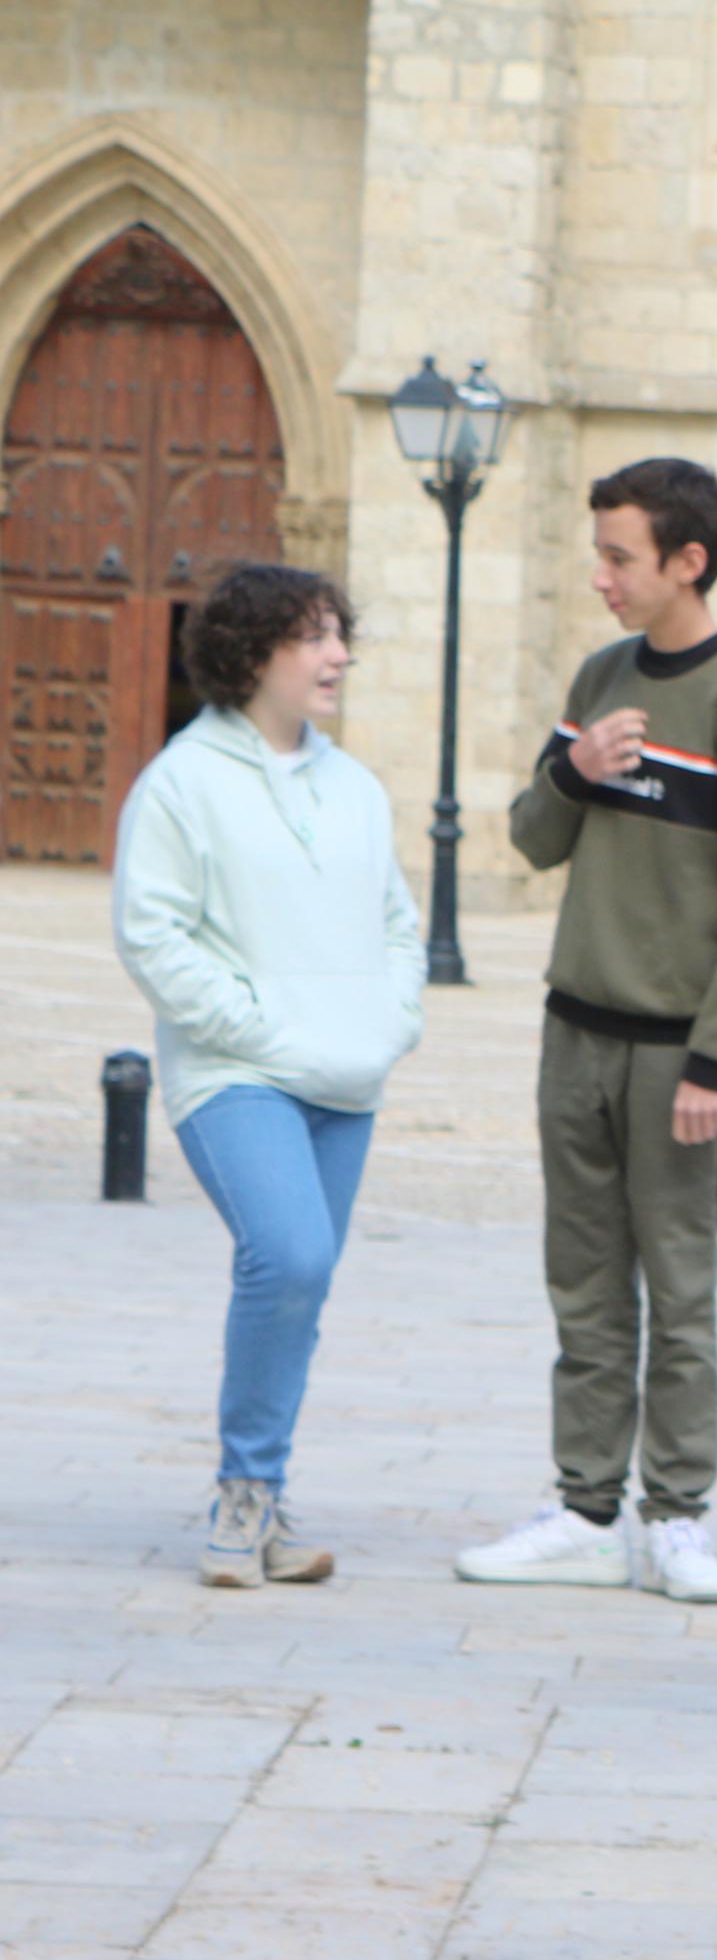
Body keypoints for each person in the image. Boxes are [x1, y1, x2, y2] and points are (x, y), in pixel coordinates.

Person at [457, 458, 717, 1605]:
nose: (599, 576)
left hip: (674, 1059)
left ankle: (679, 1517)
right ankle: (586, 1511)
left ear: (687, 561)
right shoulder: (601, 677)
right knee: (585, 1284)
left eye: (619, 556)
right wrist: (576, 766)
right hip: (573, 1037)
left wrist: (714, 1062)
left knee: (679, 1289)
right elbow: (532, 838)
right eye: (597, 554)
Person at [109, 563, 421, 1589]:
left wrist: (391, 1019)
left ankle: (267, 1495)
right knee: (286, 1255)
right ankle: (243, 1493)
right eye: (313, 637)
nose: (339, 655)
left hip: (345, 1078)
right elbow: (151, 933)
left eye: (340, 634)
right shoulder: (182, 782)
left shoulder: (355, 787)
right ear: (251, 654)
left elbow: (397, 922)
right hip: (235, 1072)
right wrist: (250, 1023)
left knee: (305, 1284)